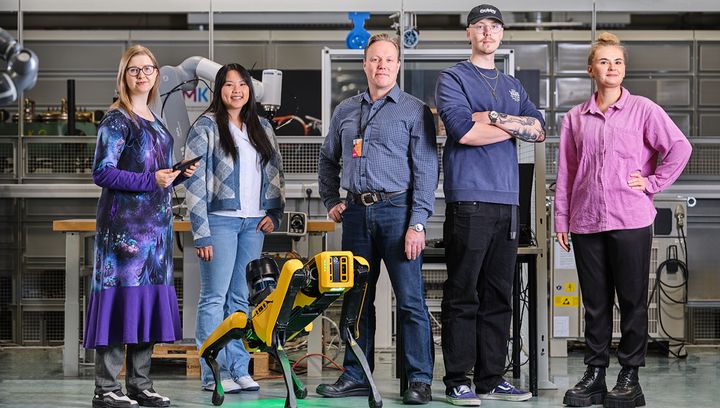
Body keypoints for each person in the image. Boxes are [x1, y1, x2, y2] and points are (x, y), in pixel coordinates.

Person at [555, 32, 692, 408]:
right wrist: (561, 221)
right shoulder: (575, 118)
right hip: (585, 221)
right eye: (604, 61)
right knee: (595, 303)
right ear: (590, 70)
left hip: (630, 218)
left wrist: (652, 183)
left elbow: (680, 148)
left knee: (631, 301)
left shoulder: (644, 110)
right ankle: (595, 374)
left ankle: (629, 376)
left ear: (624, 69)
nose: (612, 68)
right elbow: (566, 173)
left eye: (618, 62)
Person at [317, 33, 439, 405]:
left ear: (398, 66)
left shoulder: (415, 110)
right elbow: (327, 159)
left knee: (410, 301)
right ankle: (356, 374)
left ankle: (418, 380)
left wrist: (418, 223)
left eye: (388, 59)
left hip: (398, 212)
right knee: (356, 299)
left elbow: (427, 169)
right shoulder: (345, 110)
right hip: (355, 214)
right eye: (375, 59)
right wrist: (330, 199)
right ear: (365, 64)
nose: (381, 65)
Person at [435, 4, 546, 406]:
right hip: (469, 199)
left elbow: (539, 129)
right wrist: (512, 125)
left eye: (494, 26)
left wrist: (494, 117)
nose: (487, 32)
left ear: (501, 35)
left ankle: (491, 377)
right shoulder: (453, 78)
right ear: (469, 33)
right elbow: (463, 131)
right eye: (480, 26)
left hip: (508, 202)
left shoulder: (514, 85)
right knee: (464, 292)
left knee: (500, 292)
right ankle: (458, 380)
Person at [85, 44, 197, 408]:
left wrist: (178, 175)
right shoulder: (117, 120)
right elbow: (102, 172)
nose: (142, 75)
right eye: (134, 70)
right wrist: (154, 180)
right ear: (124, 76)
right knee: (122, 306)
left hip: (156, 233)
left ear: (156, 76)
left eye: (147, 69)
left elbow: (157, 175)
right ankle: (106, 388)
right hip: (124, 233)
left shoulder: (154, 117)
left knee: (147, 306)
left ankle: (140, 384)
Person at [183, 63, 285, 395]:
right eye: (229, 85)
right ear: (219, 90)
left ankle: (239, 368)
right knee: (214, 298)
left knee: (241, 298)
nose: (236, 90)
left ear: (250, 90)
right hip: (220, 222)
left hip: (254, 223)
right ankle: (214, 372)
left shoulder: (262, 128)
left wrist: (276, 213)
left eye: (242, 84)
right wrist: (202, 232)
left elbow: (276, 174)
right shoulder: (206, 128)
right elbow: (194, 183)